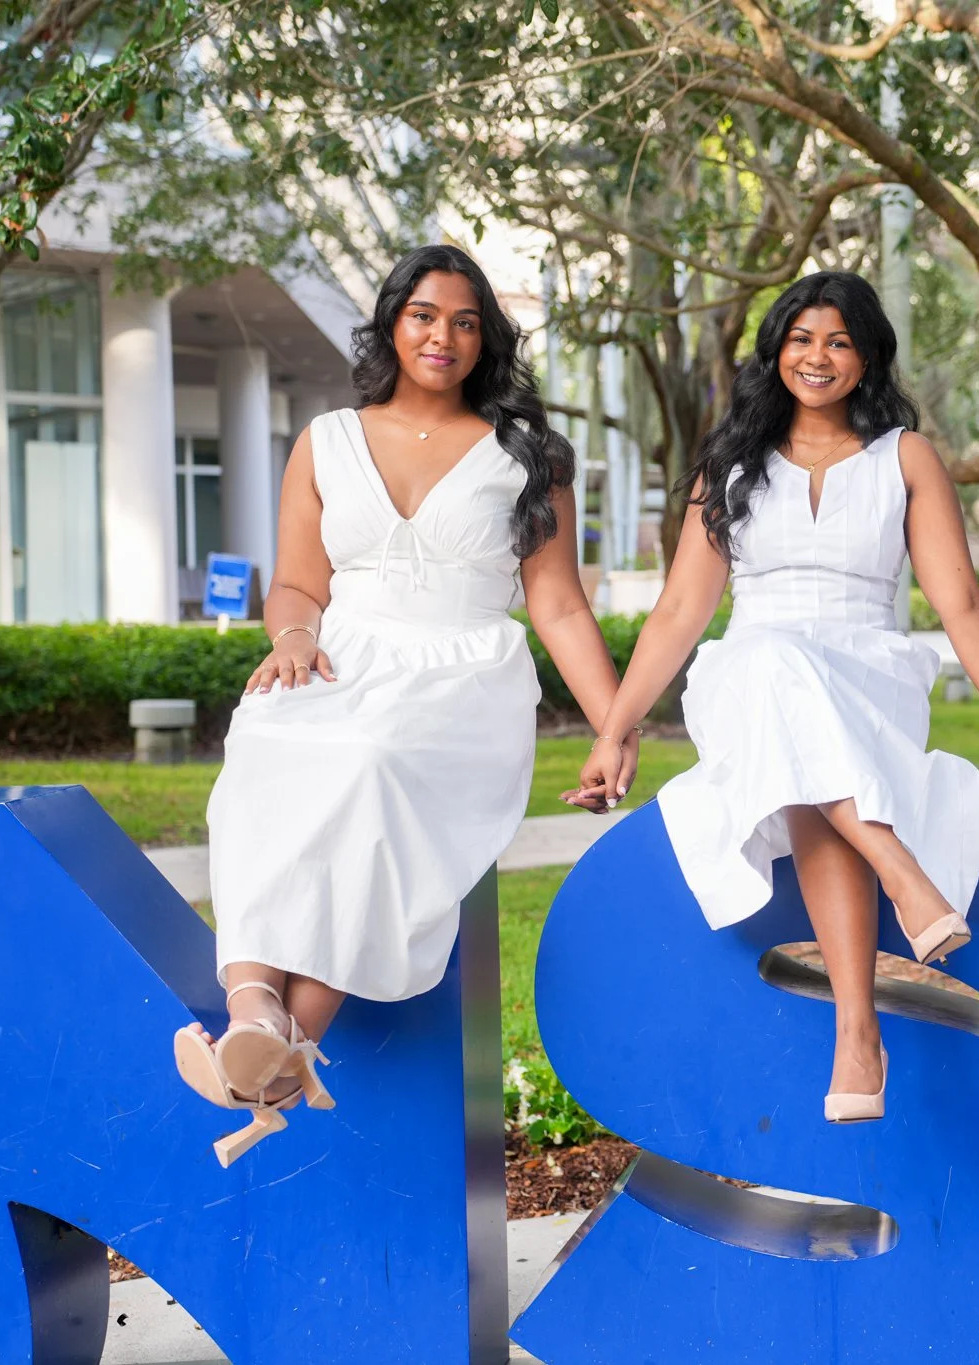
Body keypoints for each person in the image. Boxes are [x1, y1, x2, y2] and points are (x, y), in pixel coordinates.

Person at [175, 245, 630, 1166]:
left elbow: (558, 604)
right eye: (426, 314)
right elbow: (299, 585)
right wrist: (295, 640)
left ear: (487, 340)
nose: (444, 336)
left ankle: (277, 1045)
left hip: (460, 674)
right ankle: (257, 1011)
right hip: (341, 657)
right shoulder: (326, 439)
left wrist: (612, 728)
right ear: (392, 320)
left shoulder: (527, 456)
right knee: (266, 744)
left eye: (467, 322)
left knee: (368, 764)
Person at [575, 271, 979, 1123]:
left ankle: (858, 1030)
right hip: (754, 673)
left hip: (868, 675)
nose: (817, 356)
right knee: (771, 670)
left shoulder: (903, 458)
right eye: (800, 338)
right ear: (776, 351)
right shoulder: (729, 465)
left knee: (804, 756)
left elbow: (961, 601)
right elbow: (683, 609)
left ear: (865, 358)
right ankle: (896, 901)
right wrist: (616, 728)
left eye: (837, 340)